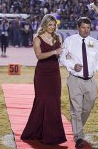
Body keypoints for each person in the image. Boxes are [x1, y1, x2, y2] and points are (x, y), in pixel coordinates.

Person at [60, 17, 98, 148]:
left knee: (88, 107)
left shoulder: (96, 43)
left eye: (88, 28)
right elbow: (62, 58)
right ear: (78, 27)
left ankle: (77, 128)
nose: (86, 30)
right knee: (76, 109)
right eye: (83, 27)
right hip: (75, 80)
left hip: (90, 80)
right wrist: (72, 65)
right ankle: (78, 136)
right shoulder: (70, 41)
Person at [21, 14, 67, 145]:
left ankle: (53, 135)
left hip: (54, 73)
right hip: (42, 73)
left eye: (54, 25)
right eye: (50, 25)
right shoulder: (37, 39)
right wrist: (54, 52)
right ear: (45, 24)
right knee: (41, 100)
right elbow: (39, 56)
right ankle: (36, 131)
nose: (52, 27)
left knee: (54, 101)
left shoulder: (58, 37)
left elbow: (61, 55)